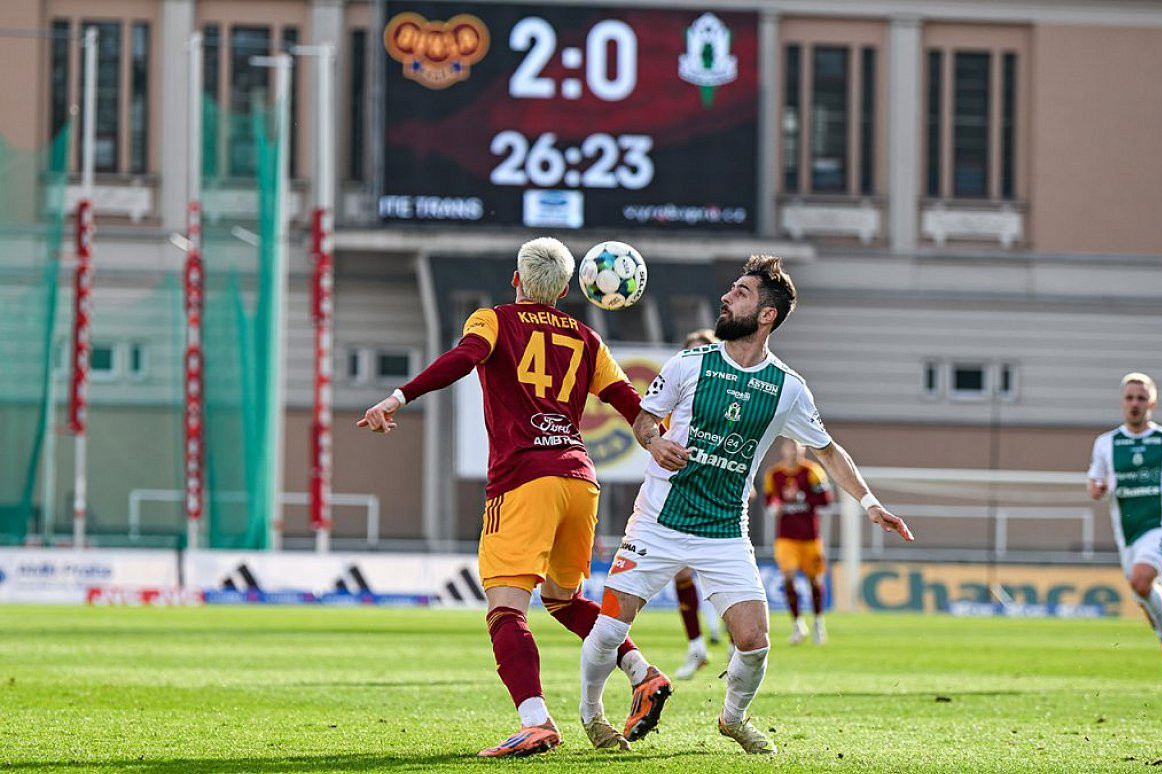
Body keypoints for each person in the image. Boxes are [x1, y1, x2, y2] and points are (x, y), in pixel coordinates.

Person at [578, 255, 914, 754]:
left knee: (755, 643)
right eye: (731, 289)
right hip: (657, 522)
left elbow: (827, 451)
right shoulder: (688, 364)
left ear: (766, 316)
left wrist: (868, 502)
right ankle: (591, 715)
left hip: (724, 532)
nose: (727, 297)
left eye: (741, 292)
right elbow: (645, 419)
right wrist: (652, 442)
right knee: (608, 629)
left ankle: (733, 718)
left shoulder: (787, 388)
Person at [357, 237, 666, 757]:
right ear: (567, 289)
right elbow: (631, 405)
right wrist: (662, 443)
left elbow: (465, 357)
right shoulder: (589, 338)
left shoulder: (494, 319)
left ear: (516, 279)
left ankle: (536, 720)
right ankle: (643, 671)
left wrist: (398, 395)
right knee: (563, 601)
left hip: (524, 480)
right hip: (579, 479)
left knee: (506, 608)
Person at [1087, 372, 1162, 691]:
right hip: (1127, 533)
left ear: (1152, 402)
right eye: (1130, 398)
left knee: (1142, 581)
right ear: (1122, 402)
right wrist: (1097, 488)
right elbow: (1094, 482)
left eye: (1141, 398)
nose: (1135, 404)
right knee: (1145, 597)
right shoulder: (1106, 443)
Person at [670, 327, 726, 680]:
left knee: (722, 580)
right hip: (681, 495)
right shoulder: (674, 401)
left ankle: (736, 647)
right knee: (680, 574)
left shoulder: (727, 397)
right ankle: (697, 647)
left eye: (701, 350)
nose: (694, 357)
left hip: (720, 500)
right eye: (688, 351)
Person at [763, 438, 834, 645]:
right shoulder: (774, 474)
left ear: (803, 450)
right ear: (784, 450)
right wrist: (775, 505)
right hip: (786, 538)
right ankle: (797, 624)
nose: (792, 451)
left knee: (815, 580)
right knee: (788, 578)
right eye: (789, 447)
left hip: (810, 537)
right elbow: (770, 499)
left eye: (796, 447)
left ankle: (819, 623)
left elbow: (825, 500)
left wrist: (800, 497)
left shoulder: (812, 471)